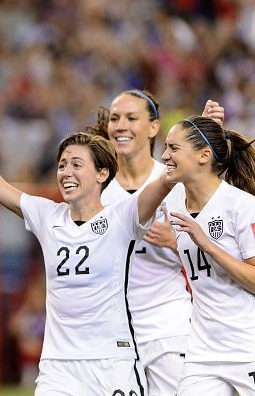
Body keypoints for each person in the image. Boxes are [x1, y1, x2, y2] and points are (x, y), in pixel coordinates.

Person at [0, 121, 178, 395]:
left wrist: (200, 136)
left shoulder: (122, 217)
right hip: (59, 367)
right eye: (62, 164)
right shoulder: (47, 215)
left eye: (77, 164)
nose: (66, 172)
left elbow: (165, 180)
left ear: (102, 174)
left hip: (112, 362)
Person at [90, 90, 222, 395]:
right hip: (116, 333)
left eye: (131, 118)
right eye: (114, 118)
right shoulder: (97, 188)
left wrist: (177, 243)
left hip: (170, 327)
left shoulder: (181, 179)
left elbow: (222, 249)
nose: (120, 125)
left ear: (153, 127)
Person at [161, 115, 255, 396]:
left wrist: (209, 245)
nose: (165, 155)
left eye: (174, 148)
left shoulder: (242, 206)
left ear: (204, 155)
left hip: (247, 343)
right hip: (203, 351)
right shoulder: (172, 201)